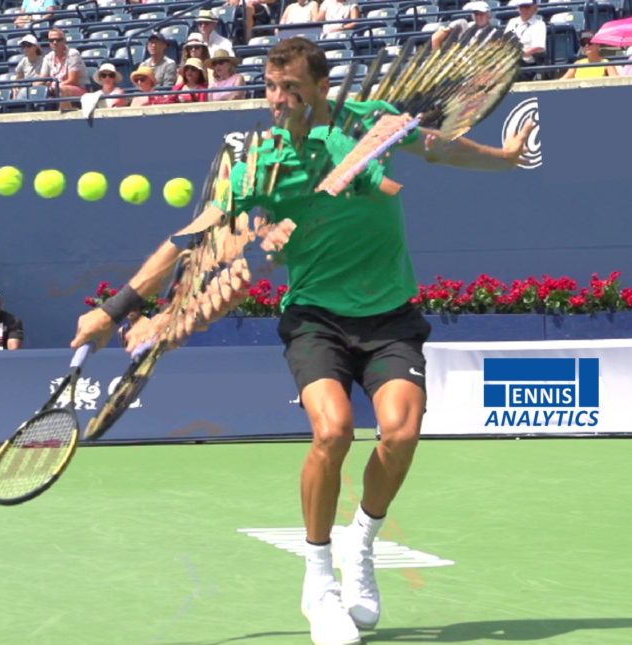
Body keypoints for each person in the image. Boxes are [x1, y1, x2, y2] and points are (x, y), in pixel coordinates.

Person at [70, 36, 533, 645]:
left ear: (320, 86)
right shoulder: (260, 163)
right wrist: (116, 309)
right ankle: (319, 581)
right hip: (316, 317)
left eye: (290, 88)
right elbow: (189, 239)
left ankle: (360, 543)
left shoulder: (372, 127)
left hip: (390, 313)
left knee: (400, 432)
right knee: (333, 430)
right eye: (270, 87)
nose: (278, 100)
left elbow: (441, 150)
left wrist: (504, 156)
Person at [37, 28, 87, 110]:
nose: (55, 42)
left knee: (62, 89)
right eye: (51, 40)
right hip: (56, 89)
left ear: (64, 41)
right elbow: (42, 78)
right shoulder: (48, 57)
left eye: (58, 40)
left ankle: (66, 117)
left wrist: (54, 86)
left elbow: (73, 80)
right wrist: (34, 86)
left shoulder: (73, 54)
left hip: (78, 89)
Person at [504, 0, 545, 79]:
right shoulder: (512, 22)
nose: (524, 10)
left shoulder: (539, 24)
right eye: (521, 7)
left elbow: (538, 47)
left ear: (534, 7)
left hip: (526, 64)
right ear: (518, 8)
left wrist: (519, 54)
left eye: (527, 6)